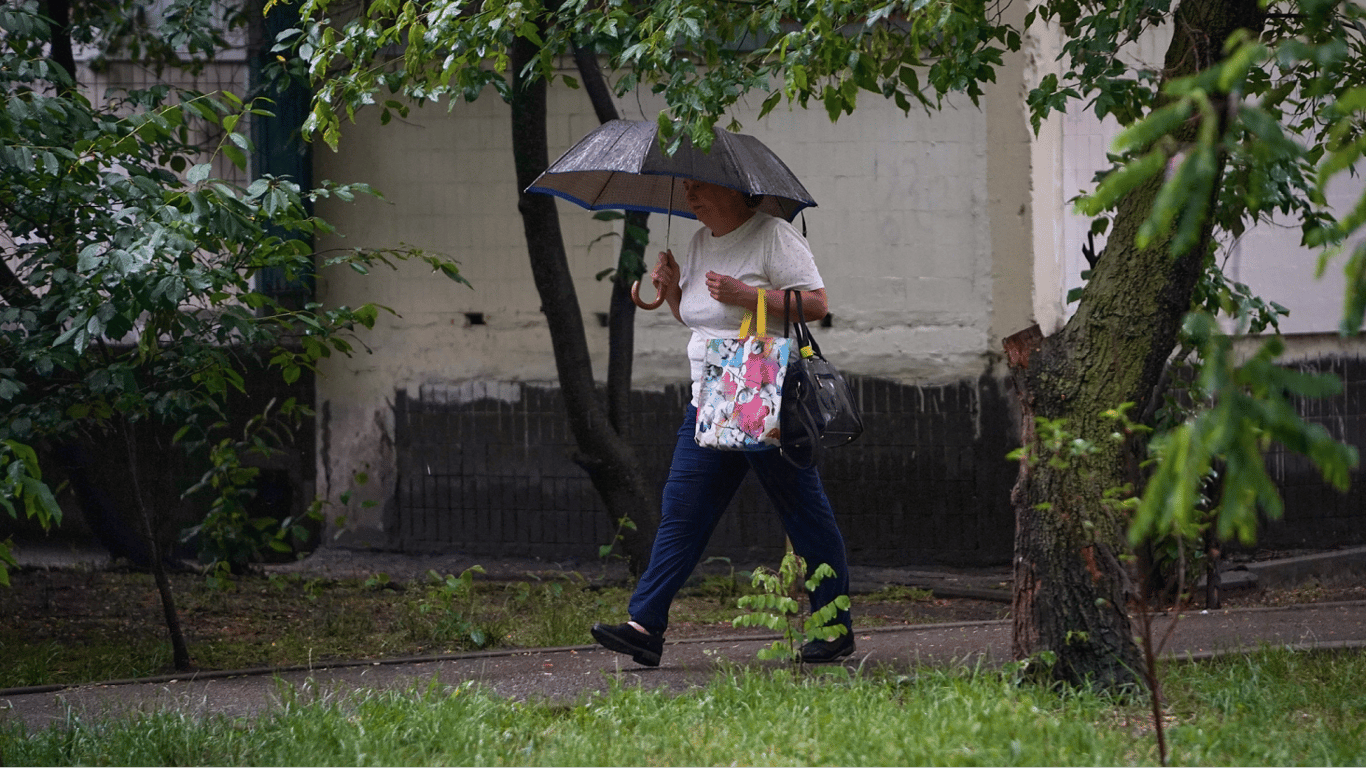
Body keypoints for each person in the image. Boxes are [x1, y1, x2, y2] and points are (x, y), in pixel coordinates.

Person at [590, 178, 854, 667]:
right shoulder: (697, 242)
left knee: (803, 512)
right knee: (682, 512)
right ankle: (644, 626)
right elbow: (699, 319)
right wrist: (670, 292)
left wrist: (747, 295)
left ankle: (833, 628)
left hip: (763, 398)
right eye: (687, 188)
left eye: (701, 187)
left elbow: (816, 304)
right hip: (710, 401)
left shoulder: (772, 235)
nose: (691, 196)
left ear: (738, 190)